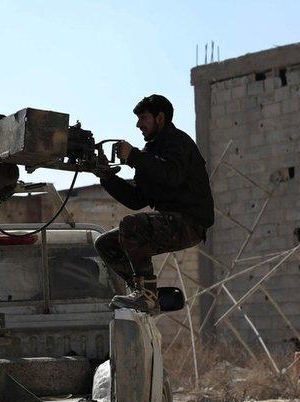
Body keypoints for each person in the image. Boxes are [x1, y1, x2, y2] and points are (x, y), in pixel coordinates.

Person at [91, 94, 215, 313]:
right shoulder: (151, 152)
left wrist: (134, 157)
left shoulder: (177, 142)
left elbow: (171, 174)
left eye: (144, 118)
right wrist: (107, 177)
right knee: (106, 243)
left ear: (160, 118)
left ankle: (146, 295)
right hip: (172, 222)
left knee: (131, 226)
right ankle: (140, 291)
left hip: (189, 222)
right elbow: (137, 199)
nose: (138, 124)